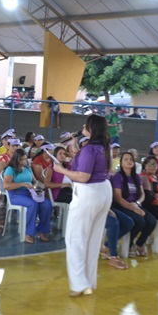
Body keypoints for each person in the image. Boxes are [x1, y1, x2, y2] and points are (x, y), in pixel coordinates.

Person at [52, 114, 112, 296]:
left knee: (75, 239)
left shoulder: (90, 149)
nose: (83, 127)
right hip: (103, 191)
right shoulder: (103, 146)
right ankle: (88, 281)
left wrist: (61, 169)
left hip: (88, 193)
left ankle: (79, 284)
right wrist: (74, 148)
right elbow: (87, 164)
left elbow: (83, 176)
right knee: (93, 239)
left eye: (86, 125)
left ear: (91, 128)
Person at [111, 151, 156, 257]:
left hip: (135, 204)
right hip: (122, 206)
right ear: (121, 163)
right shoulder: (118, 177)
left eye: (131, 159)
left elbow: (142, 194)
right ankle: (130, 244)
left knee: (152, 221)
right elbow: (118, 198)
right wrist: (133, 208)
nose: (129, 161)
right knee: (140, 221)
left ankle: (140, 244)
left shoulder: (136, 177)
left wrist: (137, 203)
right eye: (126, 159)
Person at [2, 148, 52, 244]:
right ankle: (28, 233)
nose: (24, 161)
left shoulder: (27, 168)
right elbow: (6, 185)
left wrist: (34, 188)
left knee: (46, 204)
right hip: (16, 195)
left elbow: (35, 182)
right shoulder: (10, 169)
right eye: (21, 160)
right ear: (16, 159)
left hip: (29, 193)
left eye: (25, 159)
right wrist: (23, 184)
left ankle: (42, 230)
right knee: (32, 205)